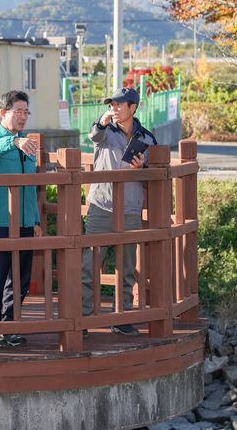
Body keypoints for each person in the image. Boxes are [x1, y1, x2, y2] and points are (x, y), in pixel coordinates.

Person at [81, 87, 157, 337]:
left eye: (118, 105)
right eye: (110, 105)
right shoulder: (103, 131)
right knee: (89, 263)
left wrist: (144, 166)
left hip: (130, 209)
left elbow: (155, 173)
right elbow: (92, 136)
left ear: (133, 107)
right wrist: (100, 123)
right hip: (101, 204)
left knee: (126, 267)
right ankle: (81, 318)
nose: (113, 109)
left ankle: (121, 317)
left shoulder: (147, 138)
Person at [0, 90, 41, 349]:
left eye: (26, 112)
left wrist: (35, 221)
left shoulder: (27, 142)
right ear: (3, 113)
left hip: (25, 221)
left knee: (20, 278)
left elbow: (31, 186)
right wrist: (13, 142)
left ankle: (9, 326)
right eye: (19, 111)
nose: (23, 116)